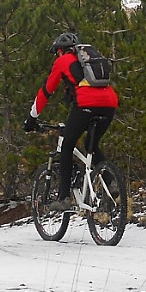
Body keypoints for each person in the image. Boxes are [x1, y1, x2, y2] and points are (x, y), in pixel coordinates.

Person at [24, 31, 118, 211]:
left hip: (85, 105)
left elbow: (46, 91)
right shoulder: (89, 58)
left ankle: (64, 197)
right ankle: (110, 182)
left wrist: (31, 118)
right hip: (109, 104)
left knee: (67, 146)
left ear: (60, 51)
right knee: (93, 144)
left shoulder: (62, 61)